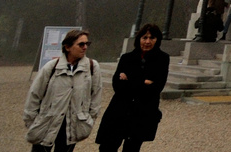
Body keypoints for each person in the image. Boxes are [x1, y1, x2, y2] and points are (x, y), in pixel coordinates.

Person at [23, 28, 101, 152]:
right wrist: (32, 122)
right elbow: (34, 94)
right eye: (81, 44)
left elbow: (96, 96)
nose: (85, 47)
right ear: (67, 47)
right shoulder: (51, 66)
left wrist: (89, 120)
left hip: (73, 125)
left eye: (87, 44)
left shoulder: (92, 67)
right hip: (47, 122)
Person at [95, 23, 168, 152]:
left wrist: (129, 80)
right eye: (144, 37)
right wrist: (143, 82)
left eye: (152, 38)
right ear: (139, 39)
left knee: (132, 148)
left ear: (157, 40)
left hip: (142, 113)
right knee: (107, 146)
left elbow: (156, 88)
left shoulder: (162, 59)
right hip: (119, 111)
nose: (147, 41)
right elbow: (117, 86)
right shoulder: (127, 58)